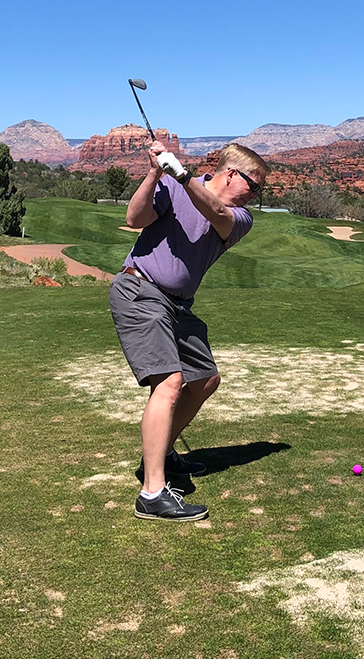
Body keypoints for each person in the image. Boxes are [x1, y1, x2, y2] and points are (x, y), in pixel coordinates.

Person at [108, 140, 269, 521]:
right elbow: (134, 219)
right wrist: (154, 174)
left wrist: (180, 175)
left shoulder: (239, 217)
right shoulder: (170, 185)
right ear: (231, 174)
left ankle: (162, 452)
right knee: (169, 381)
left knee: (205, 380)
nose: (256, 195)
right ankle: (152, 493)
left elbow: (215, 211)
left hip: (179, 305)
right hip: (140, 289)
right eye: (254, 186)